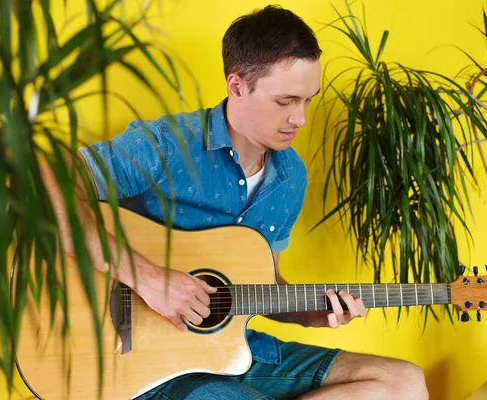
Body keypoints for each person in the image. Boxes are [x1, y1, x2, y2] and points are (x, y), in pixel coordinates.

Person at [42, 5, 429, 400]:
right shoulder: (167, 144)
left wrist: (310, 314)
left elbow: (264, 284)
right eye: (285, 101)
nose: (301, 119)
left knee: (404, 384)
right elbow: (42, 180)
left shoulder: (290, 177)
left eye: (308, 101)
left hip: (232, 353)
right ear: (237, 86)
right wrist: (148, 278)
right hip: (144, 365)